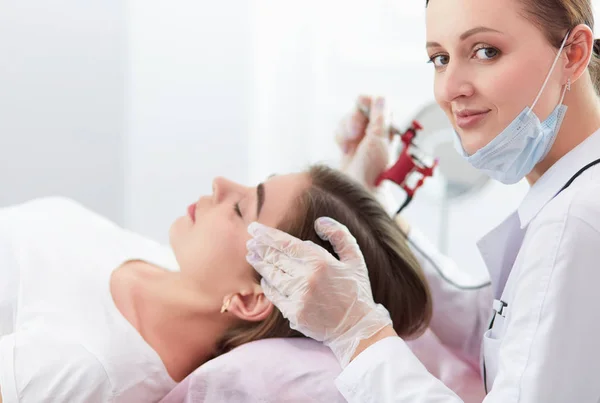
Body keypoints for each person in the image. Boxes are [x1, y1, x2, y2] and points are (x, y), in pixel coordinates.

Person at [245, 0, 600, 401]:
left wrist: (358, 335)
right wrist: (369, 200)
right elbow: (498, 329)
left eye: (487, 51)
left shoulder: (575, 220)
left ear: (573, 54)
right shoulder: (574, 198)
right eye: (440, 58)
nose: (450, 88)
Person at [0, 165, 431, 403]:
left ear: (250, 298)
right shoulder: (157, 261)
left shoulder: (84, 372)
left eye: (243, 207)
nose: (220, 182)